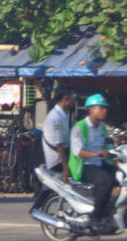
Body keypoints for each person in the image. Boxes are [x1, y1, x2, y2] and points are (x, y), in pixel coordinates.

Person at [68, 94, 115, 231]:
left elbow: (109, 146)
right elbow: (78, 151)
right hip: (85, 165)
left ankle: (111, 212)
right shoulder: (79, 127)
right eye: (101, 108)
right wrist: (97, 154)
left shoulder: (103, 128)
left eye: (105, 108)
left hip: (100, 163)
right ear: (91, 110)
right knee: (106, 181)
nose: (104, 111)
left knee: (120, 177)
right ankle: (95, 217)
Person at [42, 86, 73, 181]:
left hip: (63, 158)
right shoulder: (55, 118)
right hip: (57, 162)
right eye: (72, 97)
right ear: (65, 99)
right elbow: (59, 145)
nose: (73, 100)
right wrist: (66, 169)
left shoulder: (62, 115)